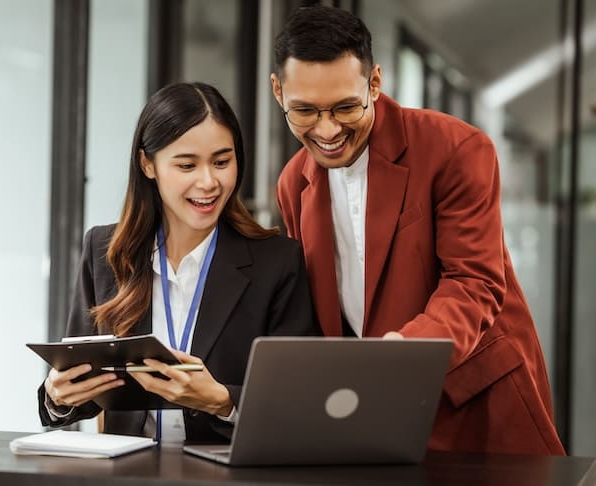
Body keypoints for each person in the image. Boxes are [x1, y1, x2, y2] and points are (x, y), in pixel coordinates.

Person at [270, 5, 564, 455]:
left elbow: (474, 282)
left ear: (374, 83)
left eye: (346, 107)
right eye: (305, 111)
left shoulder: (454, 149)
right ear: (278, 93)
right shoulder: (294, 183)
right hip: (374, 415)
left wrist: (405, 350)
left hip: (474, 405)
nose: (327, 130)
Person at [38, 82, 318, 444]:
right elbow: (80, 385)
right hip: (129, 470)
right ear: (148, 164)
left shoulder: (277, 262)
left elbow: (299, 403)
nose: (208, 182)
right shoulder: (105, 251)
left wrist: (222, 401)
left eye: (222, 162)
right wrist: (59, 397)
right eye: (187, 165)